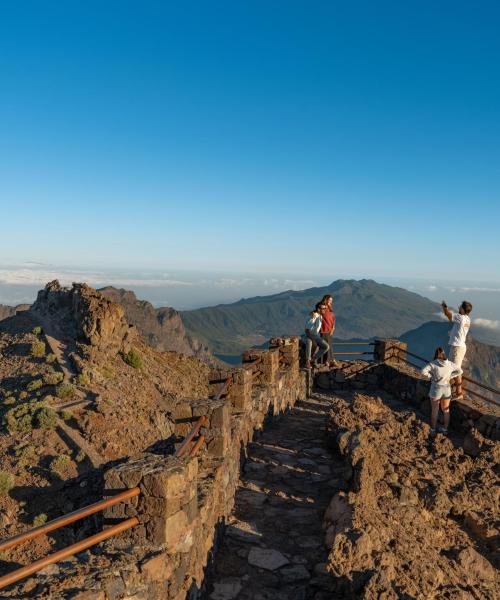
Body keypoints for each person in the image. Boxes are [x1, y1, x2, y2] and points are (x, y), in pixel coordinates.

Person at [421, 347, 462, 435]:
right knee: (446, 410)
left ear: (436, 354)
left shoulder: (433, 363)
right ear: (444, 354)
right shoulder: (450, 364)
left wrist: (431, 376)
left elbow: (423, 371)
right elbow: (460, 371)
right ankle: (445, 429)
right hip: (447, 388)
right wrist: (450, 377)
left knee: (435, 410)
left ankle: (432, 429)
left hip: (436, 388)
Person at [441, 300, 472, 399]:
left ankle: (452, 392)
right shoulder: (468, 319)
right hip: (460, 346)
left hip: (457, 348)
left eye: (460, 307)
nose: (458, 308)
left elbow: (448, 315)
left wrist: (445, 308)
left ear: (462, 309)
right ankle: (457, 392)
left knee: (454, 370)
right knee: (454, 369)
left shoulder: (460, 318)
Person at [304, 303, 329, 368]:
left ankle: (314, 359)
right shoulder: (314, 316)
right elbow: (307, 330)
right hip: (308, 335)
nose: (325, 310)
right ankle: (308, 362)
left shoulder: (320, 316)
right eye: (323, 308)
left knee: (326, 346)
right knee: (309, 342)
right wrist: (313, 340)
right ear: (318, 309)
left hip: (315, 335)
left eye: (325, 308)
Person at [319, 294, 337, 366]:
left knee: (329, 345)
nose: (331, 302)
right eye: (329, 300)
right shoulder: (322, 307)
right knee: (326, 346)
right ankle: (328, 360)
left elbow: (333, 319)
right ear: (326, 300)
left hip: (330, 330)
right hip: (324, 329)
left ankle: (328, 360)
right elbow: (316, 313)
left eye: (331, 300)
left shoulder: (330, 309)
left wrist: (333, 328)